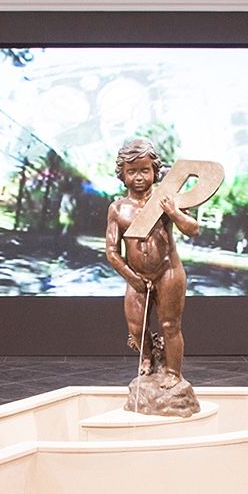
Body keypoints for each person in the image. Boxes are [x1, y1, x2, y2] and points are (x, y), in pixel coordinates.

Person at [105, 137, 201, 387]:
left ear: (155, 171)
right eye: (132, 171)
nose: (139, 177)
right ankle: (147, 357)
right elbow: (112, 251)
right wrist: (132, 277)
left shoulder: (165, 200)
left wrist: (173, 213)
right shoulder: (117, 209)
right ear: (122, 174)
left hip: (168, 271)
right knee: (136, 328)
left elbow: (193, 229)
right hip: (136, 276)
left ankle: (173, 373)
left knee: (170, 325)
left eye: (145, 170)